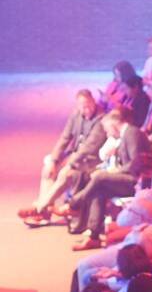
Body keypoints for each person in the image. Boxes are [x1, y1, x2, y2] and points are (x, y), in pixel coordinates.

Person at [69, 107, 152, 249]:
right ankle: (93, 235)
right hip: (129, 179)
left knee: (100, 177)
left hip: (138, 182)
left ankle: (75, 203)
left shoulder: (132, 133)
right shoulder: (125, 135)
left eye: (107, 129)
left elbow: (135, 164)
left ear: (114, 125)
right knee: (99, 189)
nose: (107, 134)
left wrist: (115, 172)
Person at [20, 90, 106, 226]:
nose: (87, 109)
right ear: (77, 106)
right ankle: (45, 213)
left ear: (93, 101)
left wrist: (69, 162)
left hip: (90, 161)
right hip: (74, 155)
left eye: (89, 104)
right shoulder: (76, 115)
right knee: (48, 169)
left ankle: (39, 208)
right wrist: (55, 160)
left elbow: (89, 148)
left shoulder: (101, 119)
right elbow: (65, 137)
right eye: (83, 106)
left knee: (65, 174)